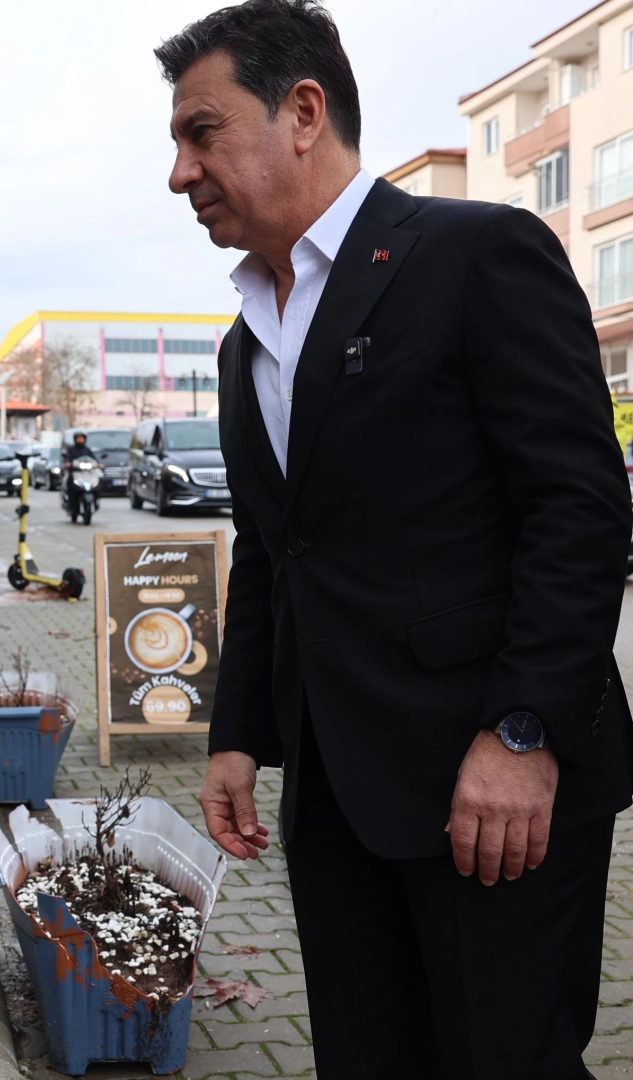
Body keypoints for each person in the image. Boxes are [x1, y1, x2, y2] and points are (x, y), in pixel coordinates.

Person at [160, 3, 633, 1077]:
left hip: (493, 796)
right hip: (336, 800)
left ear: (302, 112)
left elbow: (579, 509)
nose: (181, 174)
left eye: (201, 133)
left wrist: (523, 732)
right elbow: (276, 550)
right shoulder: (248, 345)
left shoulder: (473, 255)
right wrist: (236, 734)